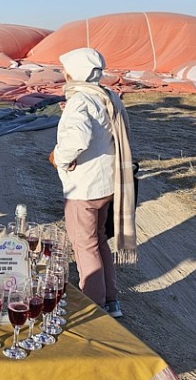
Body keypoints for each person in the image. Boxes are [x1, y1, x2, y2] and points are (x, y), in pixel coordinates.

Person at [51, 47, 136, 317]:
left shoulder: (81, 101)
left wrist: (60, 159)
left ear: (73, 72)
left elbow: (77, 139)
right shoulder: (108, 96)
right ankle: (111, 300)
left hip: (84, 187)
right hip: (107, 183)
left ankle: (93, 308)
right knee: (98, 241)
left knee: (84, 246)